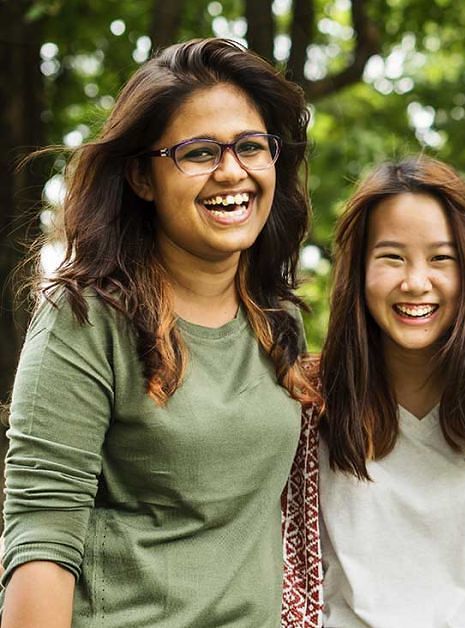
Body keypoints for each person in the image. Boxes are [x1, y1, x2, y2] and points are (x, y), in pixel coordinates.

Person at [2, 38, 316, 627]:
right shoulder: (85, 321)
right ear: (143, 179)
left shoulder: (278, 322)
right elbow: (41, 531)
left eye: (251, 147)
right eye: (199, 152)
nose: (232, 171)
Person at [288, 157, 465, 627]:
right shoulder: (307, 404)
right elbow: (291, 575)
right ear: (359, 268)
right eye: (392, 257)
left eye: (441, 258)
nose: (415, 282)